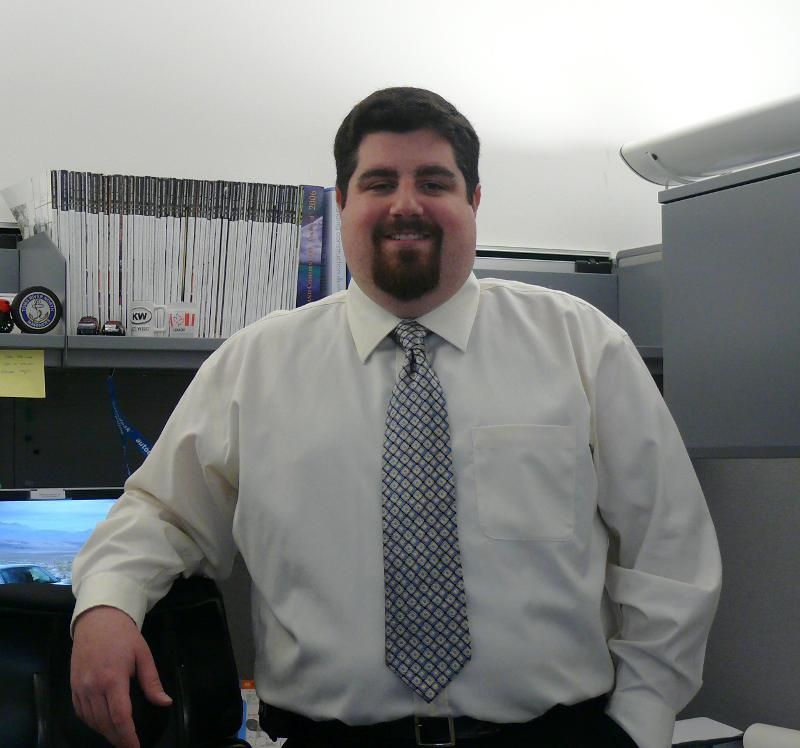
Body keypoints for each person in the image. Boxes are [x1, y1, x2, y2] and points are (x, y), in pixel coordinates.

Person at [70, 87, 721, 748]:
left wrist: (640, 724)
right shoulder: (257, 365)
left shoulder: (581, 345)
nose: (406, 204)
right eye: (379, 182)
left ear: (474, 202)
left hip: (554, 735)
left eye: (434, 182)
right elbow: (161, 514)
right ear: (343, 202)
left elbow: (668, 550)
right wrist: (106, 604)